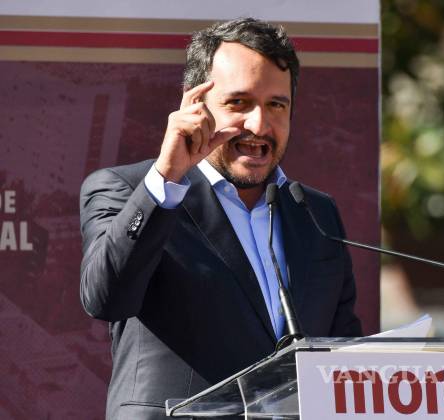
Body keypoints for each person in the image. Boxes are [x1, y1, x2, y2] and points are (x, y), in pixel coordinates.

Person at [79, 18, 361, 420]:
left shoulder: (316, 212)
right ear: (196, 107)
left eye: (276, 105)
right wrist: (166, 179)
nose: (259, 125)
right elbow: (106, 298)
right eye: (239, 103)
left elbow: (342, 349)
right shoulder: (130, 189)